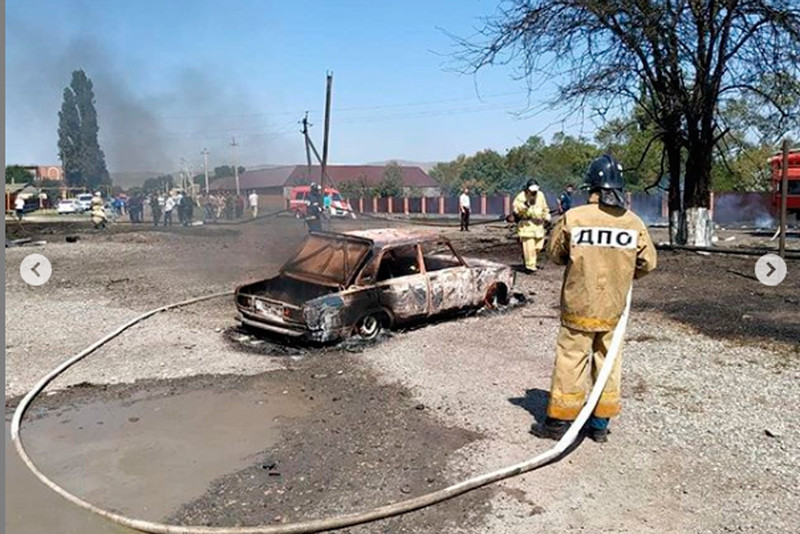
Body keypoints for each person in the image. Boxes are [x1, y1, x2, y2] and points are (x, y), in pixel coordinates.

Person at [531, 154, 657, 443]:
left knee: (571, 360)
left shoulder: (573, 218)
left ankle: (558, 424)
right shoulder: (633, 222)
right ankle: (600, 426)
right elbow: (648, 263)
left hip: (578, 305)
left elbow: (555, 255)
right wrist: (622, 275)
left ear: (592, 187)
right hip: (613, 308)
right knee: (608, 362)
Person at [512, 179, 551, 273]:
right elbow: (516, 210)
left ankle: (527, 258)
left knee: (538, 247)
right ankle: (530, 267)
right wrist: (526, 205)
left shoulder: (540, 195)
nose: (534, 192)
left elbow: (544, 207)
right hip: (526, 226)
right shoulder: (521, 196)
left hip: (539, 226)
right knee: (529, 248)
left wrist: (547, 215)